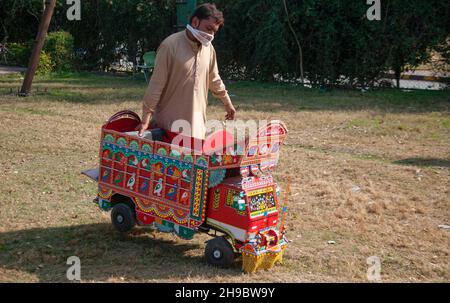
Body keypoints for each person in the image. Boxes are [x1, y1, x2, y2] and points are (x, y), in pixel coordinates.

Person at [137, 3, 236, 140]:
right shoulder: (170, 46)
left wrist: (228, 103)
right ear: (195, 21)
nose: (210, 35)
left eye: (214, 32)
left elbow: (214, 79)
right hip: (169, 127)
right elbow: (156, 85)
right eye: (208, 29)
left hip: (196, 127)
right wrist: (145, 120)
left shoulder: (209, 49)